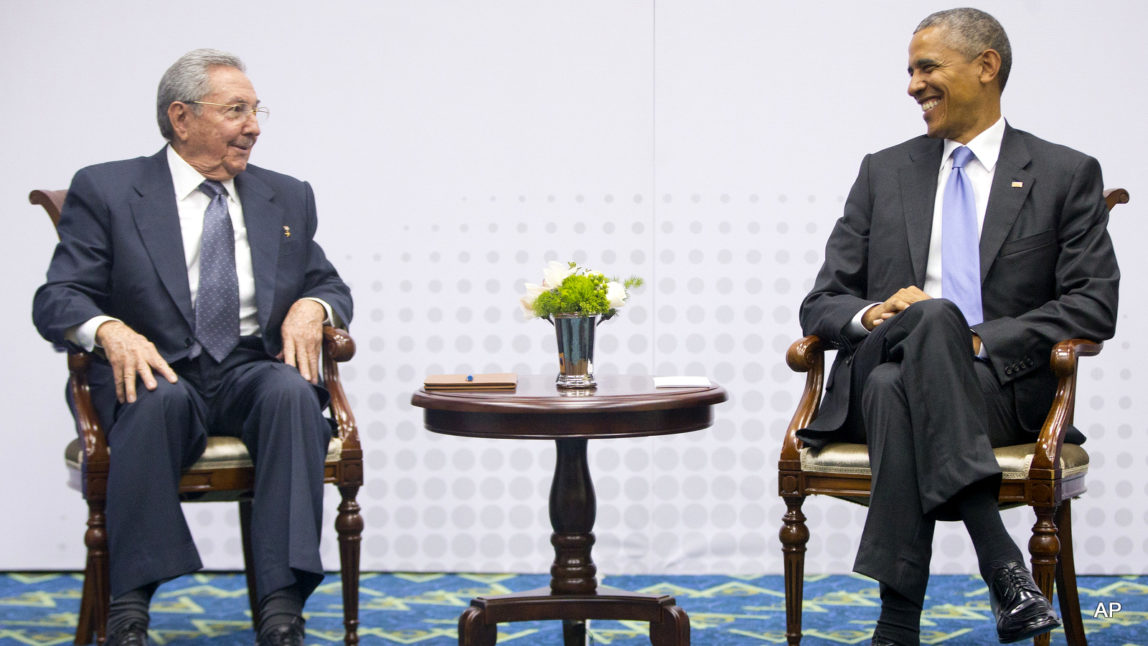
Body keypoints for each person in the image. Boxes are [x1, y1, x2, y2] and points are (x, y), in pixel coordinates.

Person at [796, 8, 1119, 646]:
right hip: (876, 365)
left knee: (898, 386)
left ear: (986, 66)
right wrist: (872, 313)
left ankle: (895, 628)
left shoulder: (1065, 174)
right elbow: (822, 303)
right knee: (923, 323)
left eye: (926, 67)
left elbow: (1091, 306)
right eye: (910, 71)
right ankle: (1002, 564)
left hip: (996, 392)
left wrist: (977, 339)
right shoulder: (883, 172)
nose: (912, 85)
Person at [32, 49, 353, 646]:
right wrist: (108, 330)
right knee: (158, 400)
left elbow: (325, 281)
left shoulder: (284, 196)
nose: (254, 126)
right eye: (237, 110)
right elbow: (58, 297)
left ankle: (281, 610)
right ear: (181, 118)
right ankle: (128, 608)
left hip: (248, 372)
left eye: (257, 110)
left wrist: (315, 307)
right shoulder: (108, 189)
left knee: (290, 394)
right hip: (155, 373)